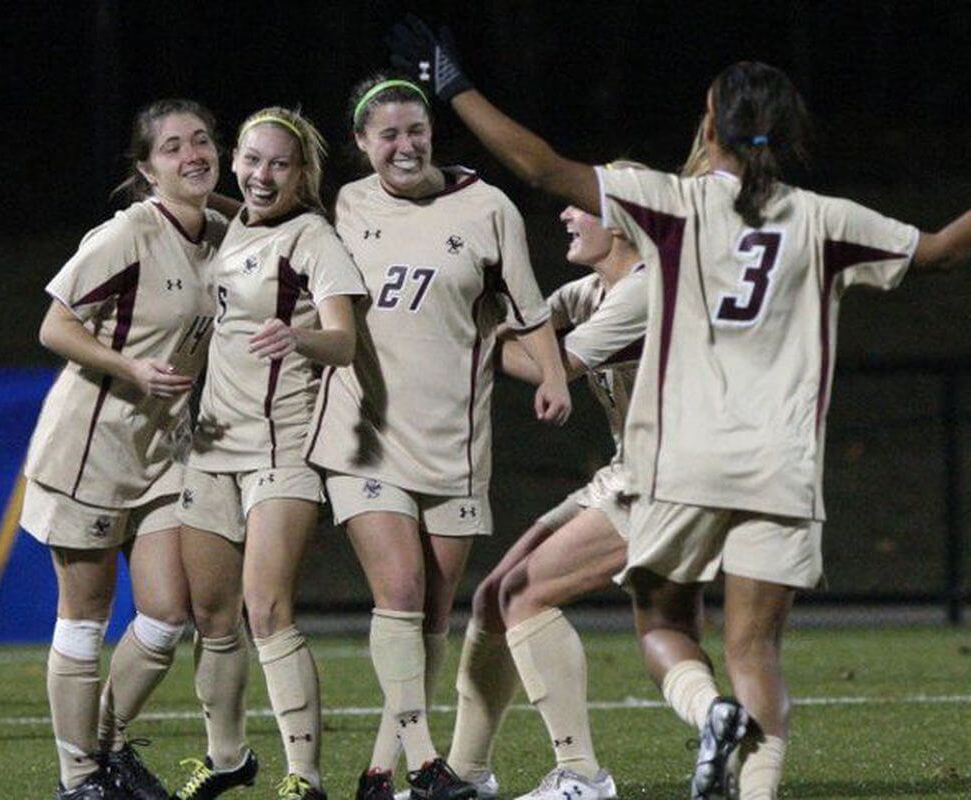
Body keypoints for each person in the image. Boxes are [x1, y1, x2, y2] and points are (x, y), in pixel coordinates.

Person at [388, 18, 971, 800]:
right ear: (789, 135)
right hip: (780, 469)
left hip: (680, 461)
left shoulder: (677, 208)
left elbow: (545, 169)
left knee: (663, 629)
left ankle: (693, 719)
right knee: (756, 653)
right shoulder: (825, 221)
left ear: (710, 123)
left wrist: (454, 85)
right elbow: (945, 250)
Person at [303, 74, 571, 800]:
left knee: (431, 615)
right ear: (361, 145)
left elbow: (528, 308)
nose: (403, 145)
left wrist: (553, 375)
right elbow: (271, 237)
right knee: (399, 589)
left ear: (431, 133)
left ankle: (379, 772)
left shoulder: (488, 209)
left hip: (454, 444)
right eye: (386, 134)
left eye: (414, 130)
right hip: (362, 435)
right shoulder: (343, 205)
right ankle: (428, 766)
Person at [21, 98, 228, 800]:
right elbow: (55, 326)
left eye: (201, 141)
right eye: (172, 148)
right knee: (85, 618)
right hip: (92, 449)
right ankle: (78, 777)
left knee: (171, 614)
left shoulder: (226, 235)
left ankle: (102, 749)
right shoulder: (125, 235)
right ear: (146, 170)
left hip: (166, 453)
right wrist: (131, 367)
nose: (192, 154)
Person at [174, 106, 365, 800]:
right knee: (212, 616)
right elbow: (215, 208)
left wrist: (299, 338)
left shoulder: (314, 237)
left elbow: (344, 341)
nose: (263, 173)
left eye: (279, 163)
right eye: (252, 159)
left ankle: (305, 777)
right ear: (234, 160)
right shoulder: (227, 231)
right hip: (211, 447)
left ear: (301, 172)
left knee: (268, 609)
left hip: (282, 447)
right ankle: (226, 760)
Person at [442, 198, 650, 800]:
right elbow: (525, 327)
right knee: (490, 601)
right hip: (628, 473)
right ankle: (464, 777)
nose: (563, 212)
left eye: (582, 206)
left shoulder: (645, 291)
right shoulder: (592, 290)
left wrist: (478, 332)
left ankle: (583, 776)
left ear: (621, 223)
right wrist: (487, 308)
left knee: (526, 596)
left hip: (674, 481)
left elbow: (554, 365)